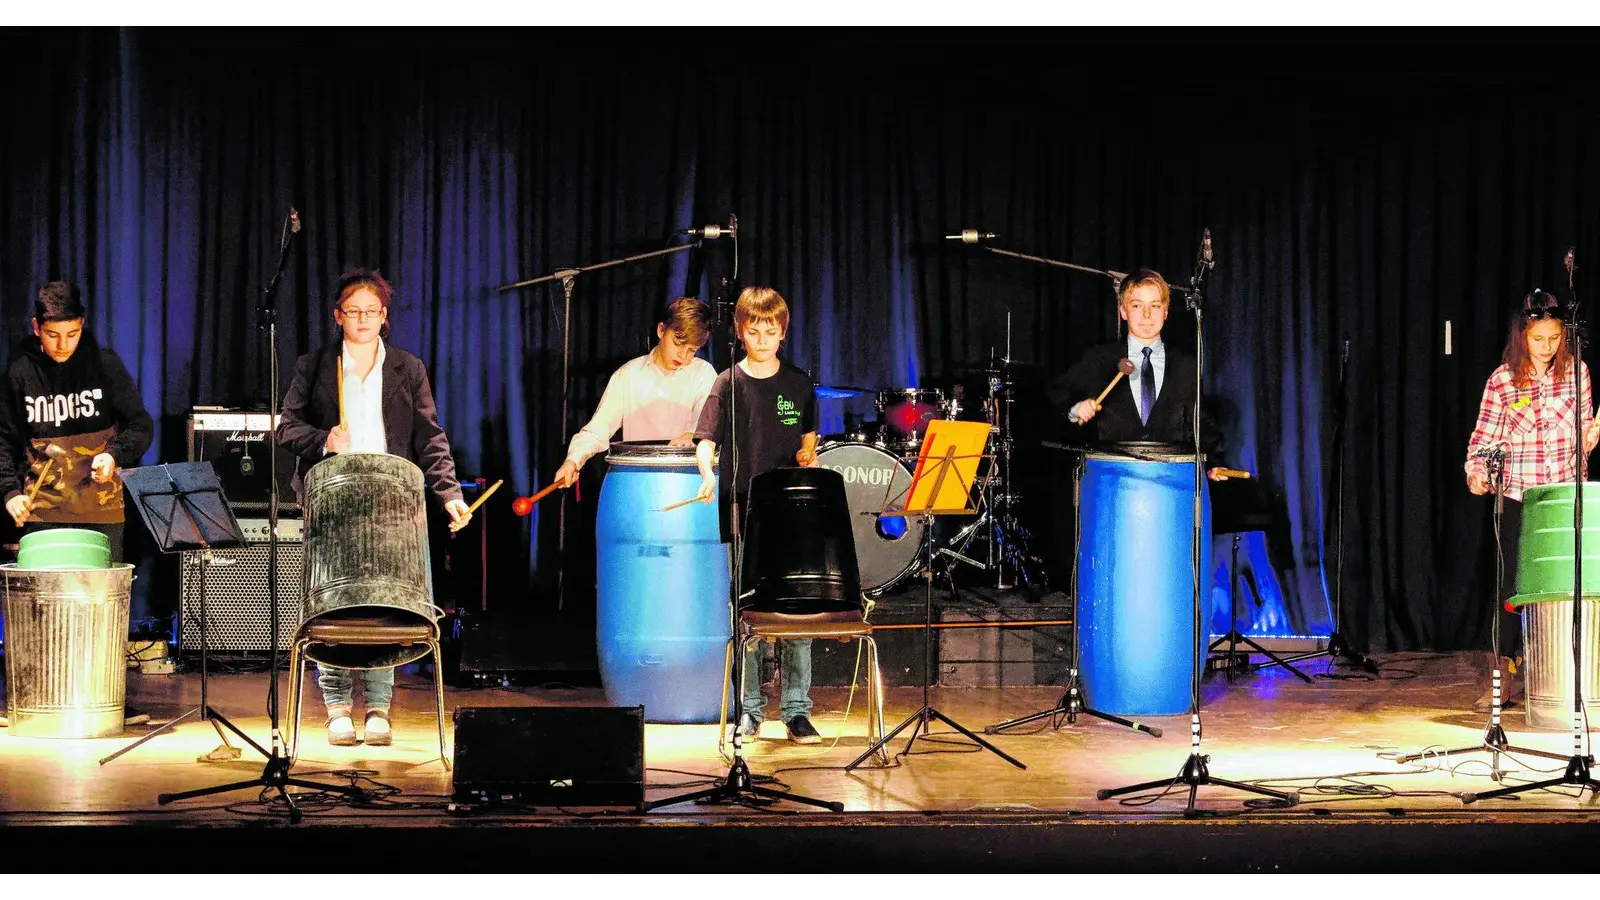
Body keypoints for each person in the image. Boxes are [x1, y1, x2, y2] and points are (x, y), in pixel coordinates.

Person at [278, 269, 472, 747]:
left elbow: (430, 437)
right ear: (338, 316)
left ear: (384, 317)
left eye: (372, 311)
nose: (362, 319)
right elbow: (286, 428)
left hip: (392, 504)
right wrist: (325, 439)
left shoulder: (408, 367)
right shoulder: (315, 365)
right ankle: (338, 707)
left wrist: (449, 493)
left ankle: (380, 708)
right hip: (332, 501)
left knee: (387, 606)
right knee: (334, 606)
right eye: (353, 311)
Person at [692, 286, 822, 744]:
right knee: (747, 612)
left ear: (783, 332)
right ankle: (749, 709)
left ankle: (796, 710)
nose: (763, 337)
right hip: (742, 507)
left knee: (795, 612)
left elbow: (808, 441)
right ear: (741, 331)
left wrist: (810, 457)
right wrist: (707, 473)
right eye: (754, 329)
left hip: (790, 512)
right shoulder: (727, 383)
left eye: (771, 330)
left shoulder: (800, 384)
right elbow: (706, 441)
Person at [1464, 290, 1600, 709]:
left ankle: (1562, 673)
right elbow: (1484, 438)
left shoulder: (1577, 373)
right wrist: (1476, 471)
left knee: (1563, 583)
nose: (1547, 347)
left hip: (1561, 496)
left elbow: (1582, 434)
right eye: (1539, 339)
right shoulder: (1502, 380)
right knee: (1511, 585)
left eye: (1554, 339)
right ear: (1523, 335)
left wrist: (1590, 438)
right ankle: (1505, 672)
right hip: (1519, 493)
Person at [0, 281, 153, 563]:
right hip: (43, 512)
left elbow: (140, 425)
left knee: (98, 603)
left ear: (82, 324)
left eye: (72, 334)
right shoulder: (20, 372)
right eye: (52, 335)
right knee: (46, 605)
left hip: (101, 513)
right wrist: (10, 493)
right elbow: (4, 441)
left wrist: (113, 455)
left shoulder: (104, 365)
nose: (62, 345)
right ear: (36, 327)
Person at [1046, 268, 1229, 478]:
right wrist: (1075, 408)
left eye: (1155, 306)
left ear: (1166, 312)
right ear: (1123, 311)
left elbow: (1201, 420)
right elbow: (1056, 391)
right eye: (1136, 305)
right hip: (1112, 479)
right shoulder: (1100, 359)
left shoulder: (1186, 364)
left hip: (1171, 479)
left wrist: (1214, 462)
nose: (1147, 315)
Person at [552, 297, 716, 488]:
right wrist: (573, 460)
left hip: (688, 482)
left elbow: (707, 420)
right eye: (678, 344)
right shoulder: (628, 375)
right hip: (637, 483)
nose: (683, 355)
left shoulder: (703, 374)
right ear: (661, 330)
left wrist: (691, 434)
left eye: (692, 350)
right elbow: (598, 430)